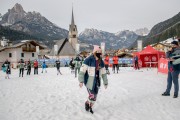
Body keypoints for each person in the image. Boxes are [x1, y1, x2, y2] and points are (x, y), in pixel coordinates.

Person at [78, 45, 108, 114]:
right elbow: (82, 71)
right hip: (89, 82)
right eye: (98, 52)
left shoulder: (101, 61)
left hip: (97, 81)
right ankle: (87, 102)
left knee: (95, 96)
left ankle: (90, 106)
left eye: (100, 52)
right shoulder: (88, 60)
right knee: (92, 95)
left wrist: (105, 82)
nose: (100, 53)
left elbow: (103, 73)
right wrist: (81, 81)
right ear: (94, 52)